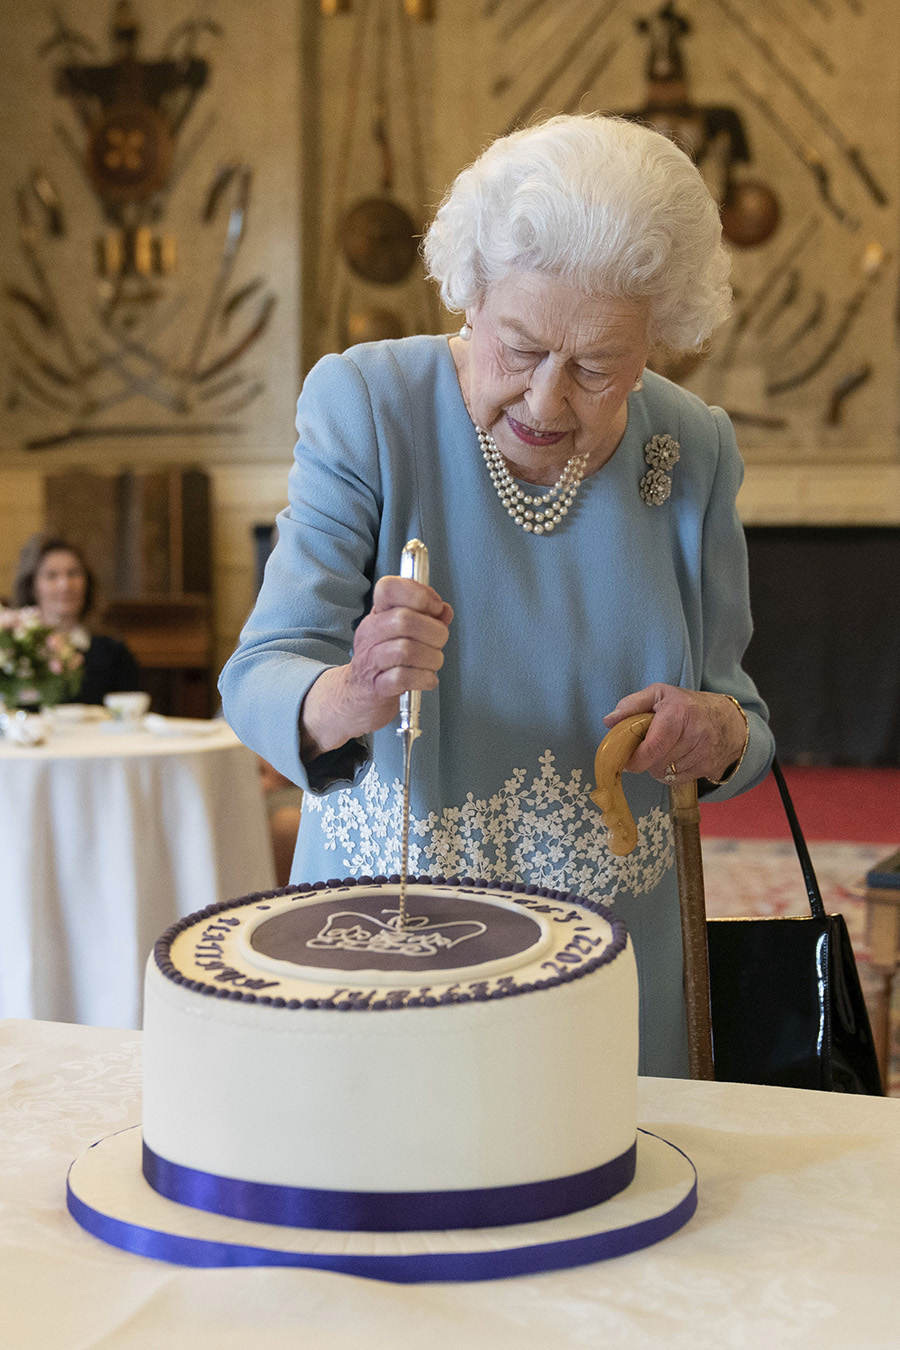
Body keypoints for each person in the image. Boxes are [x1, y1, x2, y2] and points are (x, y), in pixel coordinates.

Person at [219, 114, 775, 1076]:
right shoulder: (370, 404)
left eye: (598, 367)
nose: (548, 401)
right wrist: (353, 693)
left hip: (611, 968)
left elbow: (745, 715)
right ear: (471, 296)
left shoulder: (694, 447)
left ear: (660, 343)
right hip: (388, 953)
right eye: (519, 347)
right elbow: (260, 675)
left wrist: (716, 732)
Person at [12, 534, 142, 706]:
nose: (65, 585)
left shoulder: (113, 651)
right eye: (51, 576)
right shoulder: (13, 651)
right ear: (32, 587)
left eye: (73, 574)